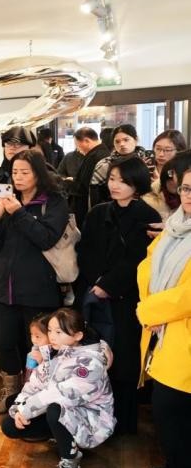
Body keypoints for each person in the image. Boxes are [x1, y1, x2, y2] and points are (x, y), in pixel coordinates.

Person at [76, 156, 160, 434]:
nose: (115, 185)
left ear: (137, 184)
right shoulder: (98, 212)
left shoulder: (148, 216)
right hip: (95, 294)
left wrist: (109, 284)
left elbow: (139, 260)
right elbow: (84, 250)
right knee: (94, 357)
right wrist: (96, 282)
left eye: (123, 181)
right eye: (112, 179)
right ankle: (94, 418)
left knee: (124, 361)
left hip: (127, 300)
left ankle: (123, 423)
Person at [0, 149, 68, 414]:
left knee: (39, 346)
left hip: (38, 287)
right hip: (4, 286)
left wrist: (19, 212)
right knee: (5, 344)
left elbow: (46, 239)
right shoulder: (8, 199)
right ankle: (11, 395)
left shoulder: (54, 202)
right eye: (14, 172)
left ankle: (36, 400)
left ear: (38, 174)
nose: (18, 177)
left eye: (24, 172)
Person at [1, 308, 115, 468]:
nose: (52, 336)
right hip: (66, 412)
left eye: (59, 332)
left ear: (77, 335)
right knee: (10, 425)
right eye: (50, 330)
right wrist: (18, 410)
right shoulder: (56, 353)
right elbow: (33, 385)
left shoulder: (90, 364)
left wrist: (28, 410)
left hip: (92, 423)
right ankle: (61, 437)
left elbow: (60, 394)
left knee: (55, 409)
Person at [136, 164, 191, 468]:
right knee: (169, 408)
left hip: (181, 334)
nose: (189, 196)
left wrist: (151, 310)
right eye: (186, 188)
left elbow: (187, 296)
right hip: (165, 331)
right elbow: (148, 264)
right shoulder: (175, 226)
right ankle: (176, 465)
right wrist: (151, 305)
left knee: (172, 408)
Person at [0, 126, 35, 235]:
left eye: (18, 144)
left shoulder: (39, 174)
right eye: (8, 144)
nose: (12, 148)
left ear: (29, 148)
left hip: (27, 232)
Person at [89, 124, 155, 207]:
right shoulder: (106, 164)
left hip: (147, 207)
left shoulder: (149, 160)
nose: (122, 144)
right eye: (117, 141)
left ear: (136, 139)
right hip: (114, 209)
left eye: (126, 140)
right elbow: (95, 194)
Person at [70, 127, 111, 228]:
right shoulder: (99, 153)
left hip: (89, 208)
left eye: (77, 145)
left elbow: (86, 185)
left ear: (87, 141)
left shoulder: (96, 156)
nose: (78, 149)